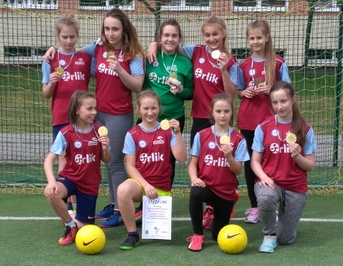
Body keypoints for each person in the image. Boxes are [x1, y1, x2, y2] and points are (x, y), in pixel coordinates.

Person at [44, 9, 145, 229]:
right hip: (97, 114)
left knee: (115, 162)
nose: (110, 33)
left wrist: (119, 70)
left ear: (124, 30)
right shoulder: (98, 48)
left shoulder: (133, 53)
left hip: (119, 114)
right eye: (107, 28)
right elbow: (71, 52)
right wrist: (53, 49)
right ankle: (113, 204)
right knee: (103, 159)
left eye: (115, 29)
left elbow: (137, 86)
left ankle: (120, 210)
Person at [147, 16, 241, 146]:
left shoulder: (231, 61)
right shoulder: (195, 51)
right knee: (197, 154)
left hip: (221, 114)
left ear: (223, 33)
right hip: (200, 114)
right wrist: (153, 45)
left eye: (215, 34)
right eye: (207, 35)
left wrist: (224, 70)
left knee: (220, 154)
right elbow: (171, 45)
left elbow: (231, 94)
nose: (211, 38)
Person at [115, 90, 187, 250]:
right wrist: (146, 186)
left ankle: (148, 215)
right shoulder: (132, 134)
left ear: (159, 108)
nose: (150, 112)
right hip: (141, 185)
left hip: (161, 186)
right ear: (139, 109)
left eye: (153, 108)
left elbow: (181, 158)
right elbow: (130, 166)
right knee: (122, 190)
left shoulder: (168, 131)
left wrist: (178, 132)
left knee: (159, 235)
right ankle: (132, 234)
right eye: (146, 108)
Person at [250, 81, 316, 253]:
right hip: (271, 182)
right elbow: (255, 161)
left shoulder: (305, 129)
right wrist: (264, 177)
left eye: (283, 101)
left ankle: (282, 223)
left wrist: (297, 156)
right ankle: (269, 235)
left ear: (293, 99)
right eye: (275, 102)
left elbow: (310, 166)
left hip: (295, 186)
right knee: (265, 198)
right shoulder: (263, 127)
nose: (279, 106)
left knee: (285, 239)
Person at [236, 19, 291, 225]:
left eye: (259, 37)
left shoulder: (278, 63)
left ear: (267, 38)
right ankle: (255, 206)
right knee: (251, 164)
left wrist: (272, 90)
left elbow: (287, 90)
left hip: (271, 121)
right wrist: (244, 92)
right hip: (248, 121)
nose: (255, 42)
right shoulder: (243, 65)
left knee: (273, 162)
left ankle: (273, 204)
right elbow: (238, 91)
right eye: (252, 38)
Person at [43, 90, 111, 246]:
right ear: (77, 110)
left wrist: (106, 148)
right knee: (52, 193)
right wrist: (51, 182)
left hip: (90, 185)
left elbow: (107, 160)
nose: (94, 112)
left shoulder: (99, 131)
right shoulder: (66, 132)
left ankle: (75, 223)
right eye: (89, 108)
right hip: (70, 178)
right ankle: (69, 224)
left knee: (85, 230)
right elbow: (48, 160)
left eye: (95, 108)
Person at [41, 15, 93, 215]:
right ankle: (67, 205)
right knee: (64, 157)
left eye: (72, 37)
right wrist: (52, 83)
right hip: (61, 116)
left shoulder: (85, 58)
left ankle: (80, 202)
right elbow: (46, 94)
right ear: (58, 36)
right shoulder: (50, 60)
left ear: (77, 36)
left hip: (82, 118)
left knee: (81, 158)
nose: (68, 41)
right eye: (64, 37)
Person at [187, 93, 249, 252]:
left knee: (217, 236)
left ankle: (215, 214)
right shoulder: (202, 135)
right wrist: (194, 178)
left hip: (225, 191)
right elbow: (192, 163)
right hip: (206, 186)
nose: (222, 115)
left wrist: (229, 156)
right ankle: (197, 235)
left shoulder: (238, 139)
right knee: (195, 192)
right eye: (218, 111)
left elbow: (238, 170)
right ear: (212, 113)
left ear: (232, 113)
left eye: (226, 111)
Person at [142, 18, 193, 189]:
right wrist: (151, 46)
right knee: (145, 159)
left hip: (173, 118)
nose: (170, 39)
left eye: (174, 36)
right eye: (166, 35)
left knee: (168, 161)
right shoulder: (149, 56)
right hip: (149, 118)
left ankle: (164, 198)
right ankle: (144, 198)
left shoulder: (185, 62)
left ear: (179, 38)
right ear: (160, 38)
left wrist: (181, 91)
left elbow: (191, 93)